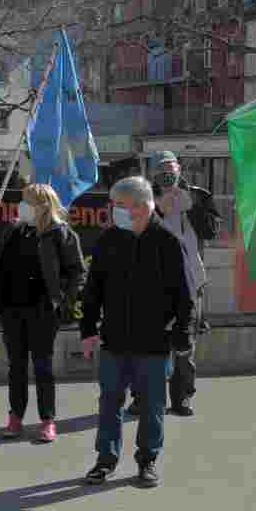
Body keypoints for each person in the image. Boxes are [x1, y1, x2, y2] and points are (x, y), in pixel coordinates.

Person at [80, 176, 194, 487]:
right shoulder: (109, 240)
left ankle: (147, 461)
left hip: (155, 343)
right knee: (109, 404)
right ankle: (105, 461)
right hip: (114, 340)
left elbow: (185, 295)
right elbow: (93, 290)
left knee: (152, 407)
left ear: (143, 207)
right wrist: (88, 329)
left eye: (119, 206)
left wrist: (182, 334)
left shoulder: (169, 243)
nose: (113, 211)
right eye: (113, 205)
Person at [0, 183, 86, 443]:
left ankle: (47, 421)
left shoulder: (61, 234)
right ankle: (15, 418)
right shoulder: (14, 230)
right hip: (12, 309)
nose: (21, 206)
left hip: (42, 311)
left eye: (27, 201)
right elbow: (2, 262)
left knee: (43, 366)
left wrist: (62, 302)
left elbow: (77, 273)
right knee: (16, 366)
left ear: (42, 206)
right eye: (22, 201)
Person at [126, 150, 220, 418]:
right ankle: (142, 397)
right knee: (145, 345)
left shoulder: (199, 195)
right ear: (153, 173)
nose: (167, 175)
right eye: (161, 170)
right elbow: (129, 230)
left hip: (188, 280)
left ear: (180, 169)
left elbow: (211, 232)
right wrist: (155, 208)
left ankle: (181, 398)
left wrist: (191, 206)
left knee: (184, 344)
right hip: (149, 281)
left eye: (171, 169)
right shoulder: (142, 197)